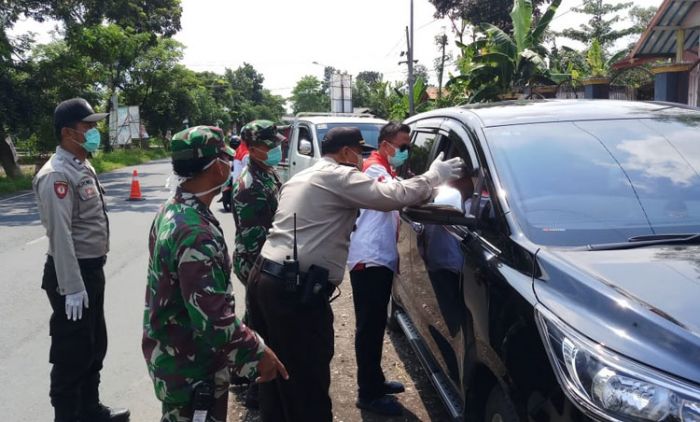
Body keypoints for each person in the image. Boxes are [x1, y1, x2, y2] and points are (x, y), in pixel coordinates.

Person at [246, 126, 464, 421]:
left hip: (266, 279)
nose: (363, 159)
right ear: (347, 153)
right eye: (360, 153)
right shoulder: (339, 175)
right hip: (292, 288)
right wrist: (434, 175)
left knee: (276, 369)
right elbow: (393, 195)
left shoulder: (303, 175)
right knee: (307, 373)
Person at [142, 126, 288, 422]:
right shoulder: (194, 232)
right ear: (214, 166)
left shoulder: (173, 210)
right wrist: (258, 353)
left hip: (176, 358)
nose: (229, 163)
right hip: (192, 367)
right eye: (225, 157)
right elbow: (212, 318)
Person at [33, 98, 130, 422]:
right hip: (71, 275)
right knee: (71, 354)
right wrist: (72, 287)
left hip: (92, 269)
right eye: (87, 127)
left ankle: (90, 409)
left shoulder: (80, 163)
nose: (94, 132)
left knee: (94, 345)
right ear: (67, 132)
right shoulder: (56, 175)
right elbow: (60, 236)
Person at [346, 122, 411, 416]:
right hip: (369, 259)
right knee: (369, 328)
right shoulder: (374, 169)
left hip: (378, 257)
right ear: (386, 144)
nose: (405, 152)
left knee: (374, 326)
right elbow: (398, 195)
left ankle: (375, 381)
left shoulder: (384, 167)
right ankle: (367, 393)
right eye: (402, 146)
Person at [230, 119, 284, 408]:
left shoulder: (268, 172)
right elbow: (253, 240)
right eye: (268, 144)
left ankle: (240, 372)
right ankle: (256, 391)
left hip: (263, 257)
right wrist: (263, 275)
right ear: (252, 148)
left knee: (253, 318)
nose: (276, 147)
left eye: (275, 142)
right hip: (254, 261)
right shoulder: (249, 184)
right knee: (262, 322)